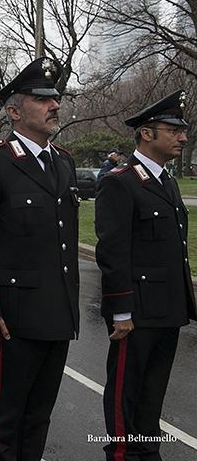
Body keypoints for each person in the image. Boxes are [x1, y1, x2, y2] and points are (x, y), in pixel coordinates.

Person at [0, 57, 80, 461]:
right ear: (14, 111)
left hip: (57, 313)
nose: (54, 105)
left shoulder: (63, 160)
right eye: (41, 98)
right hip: (14, 317)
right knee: (5, 418)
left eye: (56, 98)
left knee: (39, 417)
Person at [95, 89, 197, 461]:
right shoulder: (120, 181)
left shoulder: (166, 181)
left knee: (153, 394)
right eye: (174, 130)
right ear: (147, 134)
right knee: (126, 392)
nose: (183, 137)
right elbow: (112, 251)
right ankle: (123, 454)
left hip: (167, 309)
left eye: (182, 131)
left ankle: (147, 452)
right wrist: (120, 311)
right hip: (135, 313)